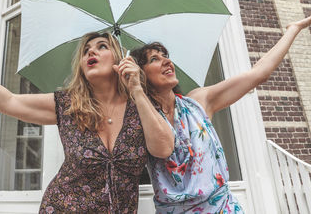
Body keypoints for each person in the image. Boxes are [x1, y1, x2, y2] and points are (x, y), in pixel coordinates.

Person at [0, 31, 174, 213]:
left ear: (119, 59)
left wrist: (137, 90)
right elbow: (8, 102)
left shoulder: (141, 105)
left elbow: (163, 148)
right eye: (85, 51)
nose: (91, 52)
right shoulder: (69, 105)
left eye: (101, 47)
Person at [129, 15, 311, 213]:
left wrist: (294, 29)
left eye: (166, 56)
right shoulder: (139, 118)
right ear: (141, 74)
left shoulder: (198, 102)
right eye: (155, 59)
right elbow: (162, 148)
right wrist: (136, 90)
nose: (166, 62)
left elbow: (258, 74)